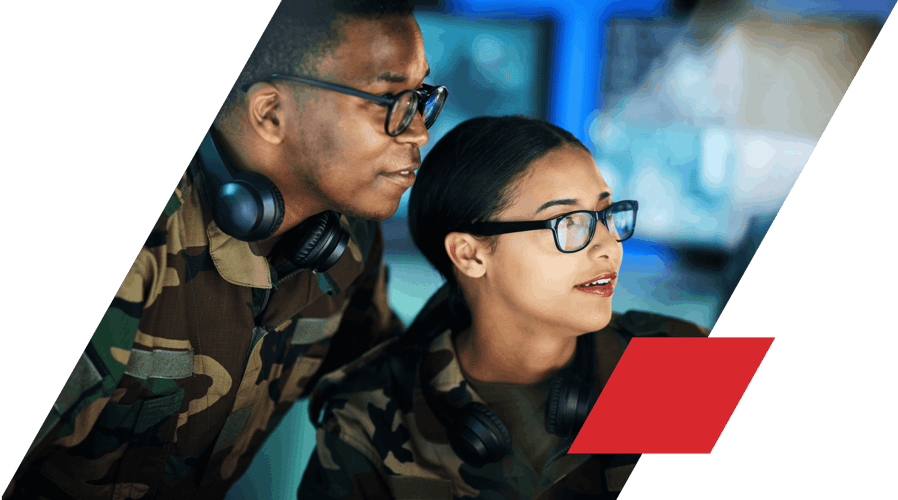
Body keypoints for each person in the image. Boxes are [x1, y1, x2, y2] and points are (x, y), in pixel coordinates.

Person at [2, 1, 448, 499]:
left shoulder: (347, 238)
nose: (419, 131)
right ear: (271, 113)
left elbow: (389, 380)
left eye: (421, 97)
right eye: (389, 99)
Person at [299, 115, 711, 499]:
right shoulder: (364, 418)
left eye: (605, 214)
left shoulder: (681, 362)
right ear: (469, 255)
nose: (608, 245)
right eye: (568, 222)